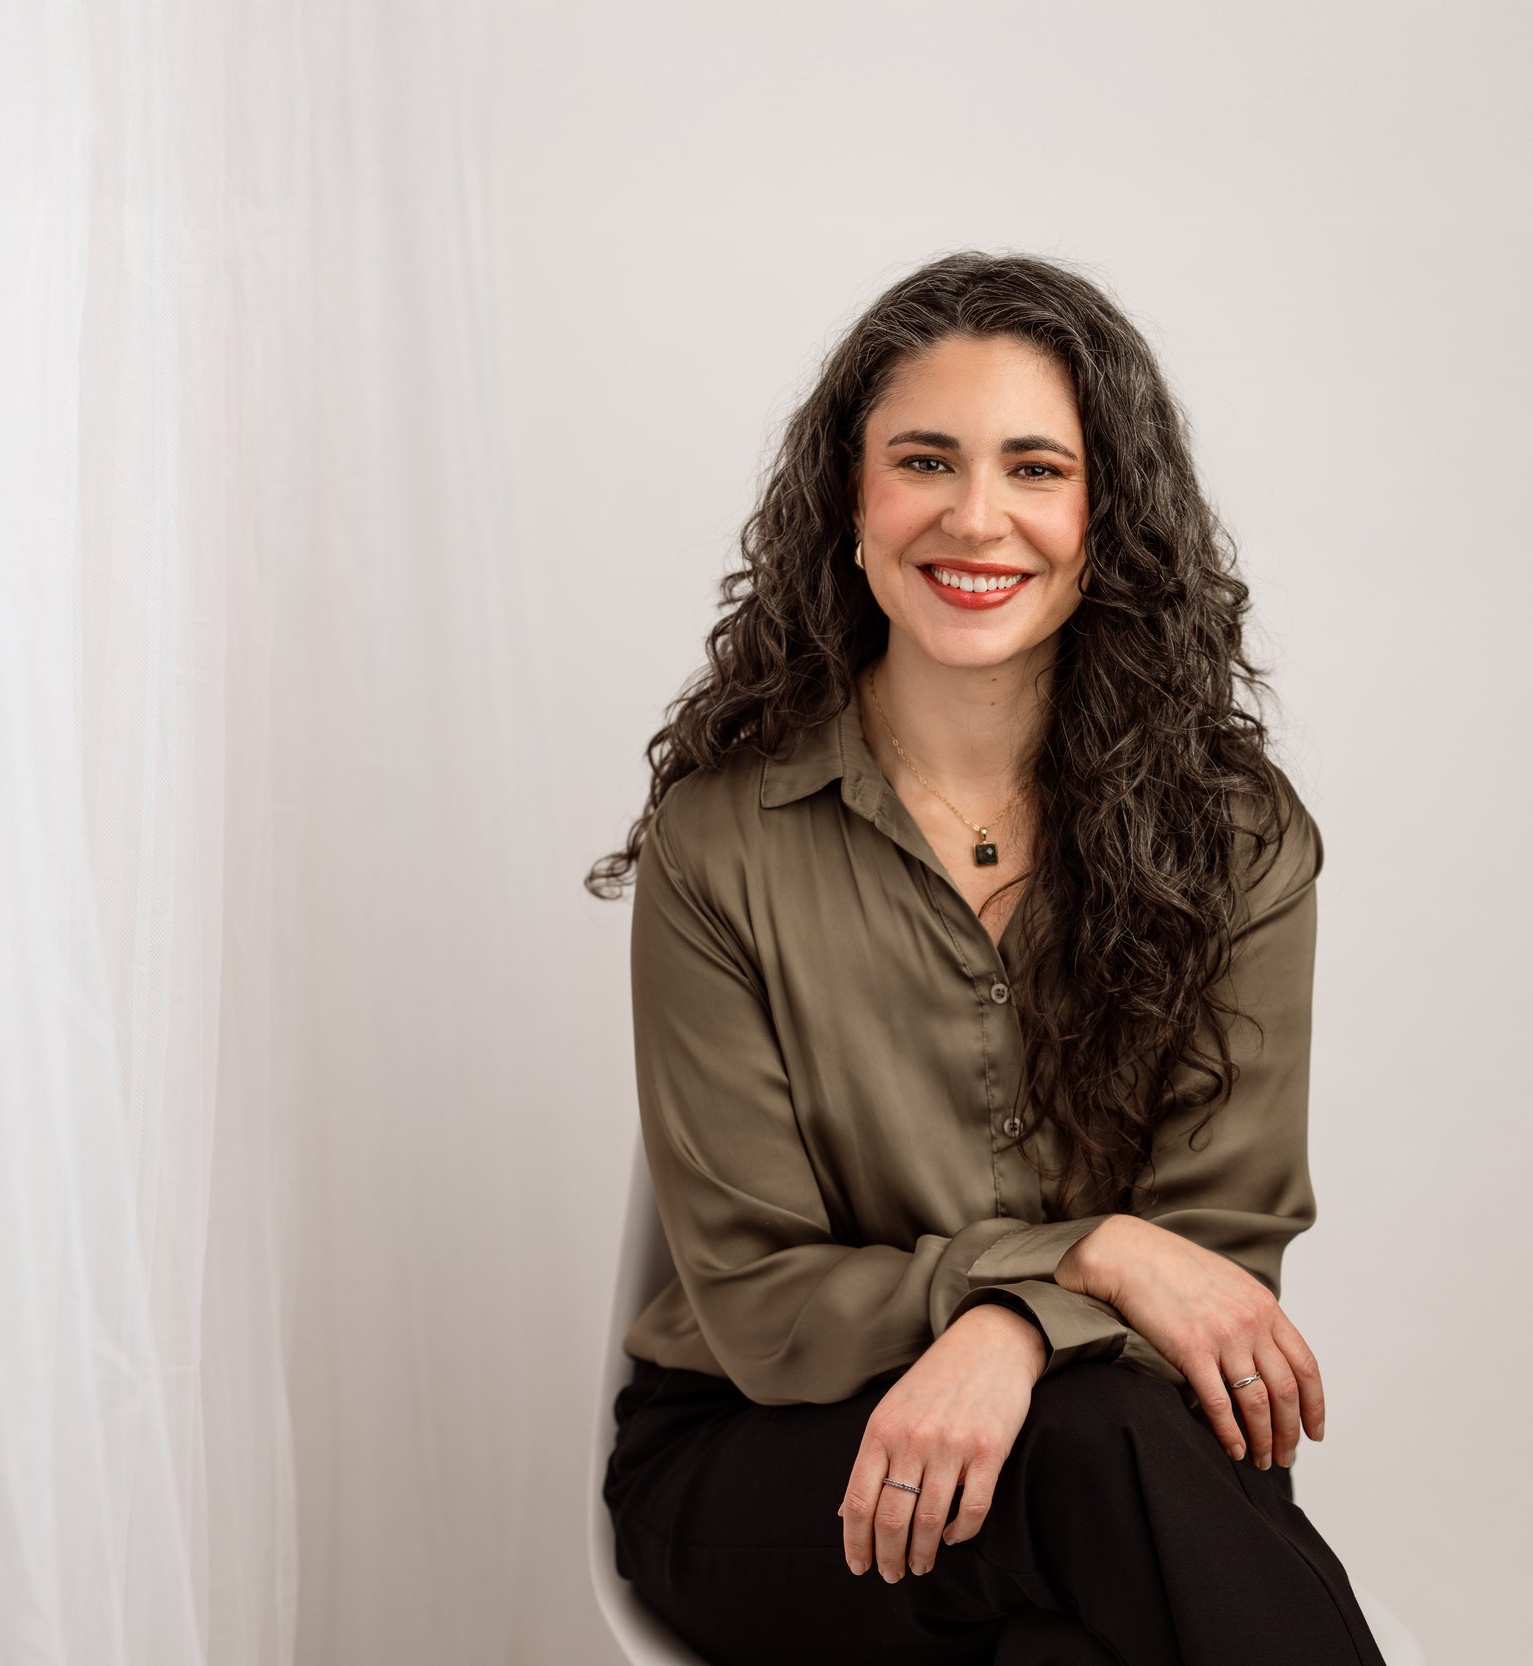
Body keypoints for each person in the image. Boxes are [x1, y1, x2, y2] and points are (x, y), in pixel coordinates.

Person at [584, 251, 1385, 1665]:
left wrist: (1016, 1326)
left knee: (1070, 1612)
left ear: (1106, 513)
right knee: (1108, 1445)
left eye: (1034, 467)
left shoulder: (1236, 838)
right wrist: (1092, 1252)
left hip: (1112, 1458)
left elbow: (1220, 1279)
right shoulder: (723, 843)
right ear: (852, 498)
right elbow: (762, 1302)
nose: (976, 516)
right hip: (767, 1462)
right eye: (925, 459)